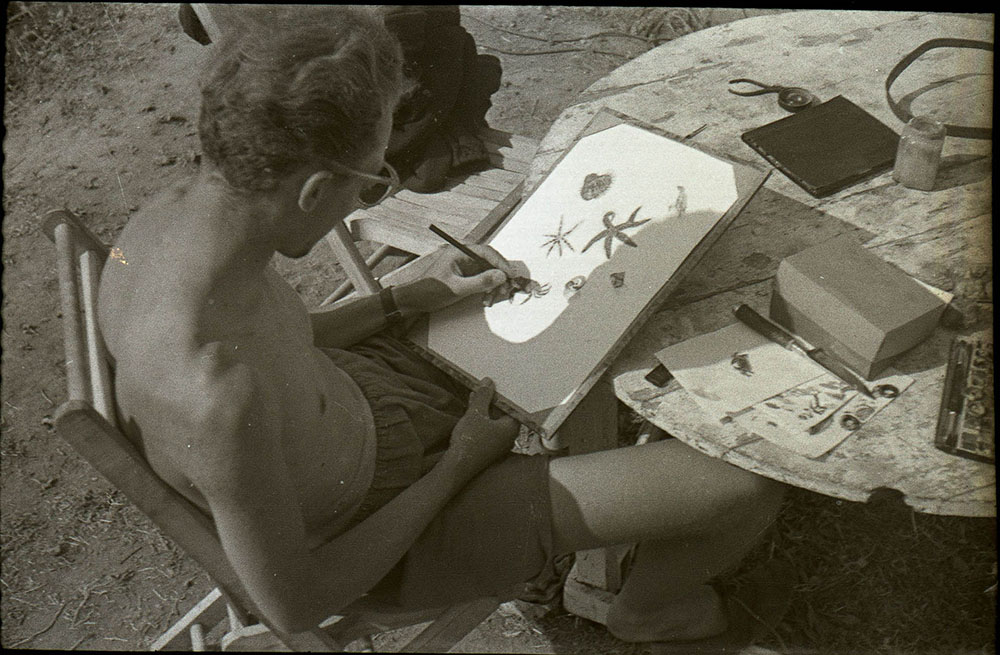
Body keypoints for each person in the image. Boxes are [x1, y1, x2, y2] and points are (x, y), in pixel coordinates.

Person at [98, 7, 785, 648]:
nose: (375, 192)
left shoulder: (174, 227)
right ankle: (649, 610)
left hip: (369, 401)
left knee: (608, 298)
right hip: (398, 530)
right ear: (313, 191)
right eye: (372, 181)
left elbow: (284, 339)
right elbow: (297, 605)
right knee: (745, 484)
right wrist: (459, 464)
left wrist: (402, 301)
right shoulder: (216, 398)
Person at [177, 4, 502, 192]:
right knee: (456, 48)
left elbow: (195, 25)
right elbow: (412, 43)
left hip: (284, 132)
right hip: (357, 134)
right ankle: (432, 149)